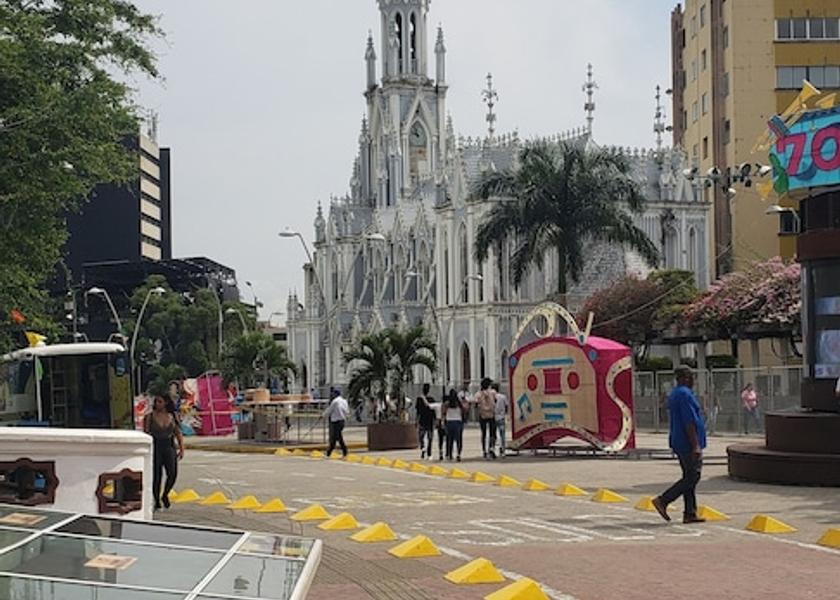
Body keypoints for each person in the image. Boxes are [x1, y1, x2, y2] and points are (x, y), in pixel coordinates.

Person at [652, 365, 707, 524]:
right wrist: (695, 445)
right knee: (693, 476)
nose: (693, 381)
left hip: (679, 440)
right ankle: (663, 500)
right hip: (686, 442)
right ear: (685, 378)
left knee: (688, 476)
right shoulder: (684, 394)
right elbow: (689, 421)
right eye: (691, 378)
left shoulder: (676, 393)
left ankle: (690, 513)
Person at [143, 396, 184, 511]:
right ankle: (156, 500)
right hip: (156, 446)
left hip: (169, 446)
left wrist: (181, 448)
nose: (157, 404)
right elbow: (146, 433)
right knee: (157, 475)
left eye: (160, 401)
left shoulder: (172, 416)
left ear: (166, 403)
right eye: (156, 402)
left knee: (172, 473)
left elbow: (178, 433)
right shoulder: (150, 417)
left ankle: (165, 494)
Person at [324, 388, 350, 457]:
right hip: (342, 421)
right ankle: (330, 452)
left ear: (335, 394)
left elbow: (329, 410)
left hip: (336, 422)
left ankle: (342, 451)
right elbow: (347, 411)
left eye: (333, 393)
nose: (332, 394)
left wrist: (323, 415)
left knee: (337, 437)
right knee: (337, 437)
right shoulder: (344, 401)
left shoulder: (335, 401)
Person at [475, 377, 497, 459]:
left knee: (483, 433)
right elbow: (496, 401)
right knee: (492, 433)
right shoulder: (493, 392)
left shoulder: (478, 394)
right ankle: (491, 448)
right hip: (491, 414)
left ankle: (484, 450)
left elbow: (476, 404)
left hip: (483, 415)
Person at [444, 388, 467, 461]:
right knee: (459, 439)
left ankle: (449, 454)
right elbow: (464, 410)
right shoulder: (459, 403)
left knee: (449, 439)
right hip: (458, 421)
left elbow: (444, 412)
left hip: (449, 421)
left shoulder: (447, 403)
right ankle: (458, 454)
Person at [416, 384, 435, 459]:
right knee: (430, 438)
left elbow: (418, 411)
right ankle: (429, 453)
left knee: (421, 436)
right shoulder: (431, 399)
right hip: (430, 420)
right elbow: (433, 411)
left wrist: (416, 420)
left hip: (422, 420)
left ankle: (423, 447)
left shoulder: (419, 399)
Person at [492, 382, 508, 457]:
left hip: (493, 417)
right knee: (502, 435)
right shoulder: (503, 397)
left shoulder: (491, 396)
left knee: (493, 434)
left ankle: (492, 448)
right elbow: (506, 406)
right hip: (501, 417)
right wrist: (505, 413)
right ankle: (503, 450)